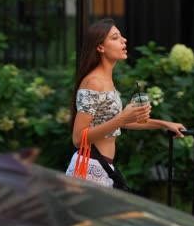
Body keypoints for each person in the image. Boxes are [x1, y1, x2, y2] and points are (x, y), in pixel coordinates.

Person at [66, 18, 186, 187]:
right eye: (115, 37)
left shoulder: (106, 79)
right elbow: (79, 138)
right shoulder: (94, 82)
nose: (124, 40)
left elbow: (118, 123)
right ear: (100, 47)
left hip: (102, 167)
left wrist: (164, 124)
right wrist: (122, 118)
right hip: (89, 168)